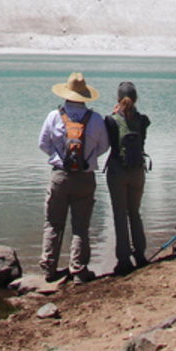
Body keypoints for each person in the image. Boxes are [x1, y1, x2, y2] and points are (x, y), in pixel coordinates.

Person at [37, 71, 109, 282]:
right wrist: (88, 158)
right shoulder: (95, 119)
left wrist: (58, 157)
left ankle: (49, 269)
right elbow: (104, 146)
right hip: (85, 178)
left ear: (66, 94)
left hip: (60, 176)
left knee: (53, 223)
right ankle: (78, 270)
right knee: (80, 226)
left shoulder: (53, 116)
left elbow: (42, 144)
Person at [104, 81, 151, 275]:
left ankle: (123, 260)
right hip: (137, 171)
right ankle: (140, 255)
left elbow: (109, 142)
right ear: (136, 99)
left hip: (117, 170)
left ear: (117, 99)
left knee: (119, 214)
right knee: (135, 212)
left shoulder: (110, 120)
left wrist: (115, 114)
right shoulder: (143, 120)